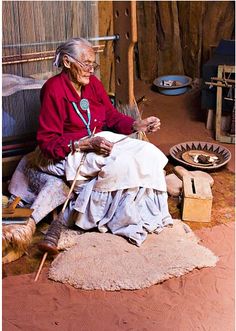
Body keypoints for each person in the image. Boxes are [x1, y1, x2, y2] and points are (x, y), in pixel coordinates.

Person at [8, 37, 173, 252]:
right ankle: (115, 217)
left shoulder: (92, 84)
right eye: (86, 63)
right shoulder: (54, 90)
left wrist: (137, 124)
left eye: (93, 64)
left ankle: (144, 211)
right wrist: (84, 144)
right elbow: (48, 142)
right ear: (67, 62)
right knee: (120, 162)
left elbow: (111, 116)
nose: (91, 70)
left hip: (98, 140)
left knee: (148, 152)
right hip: (72, 151)